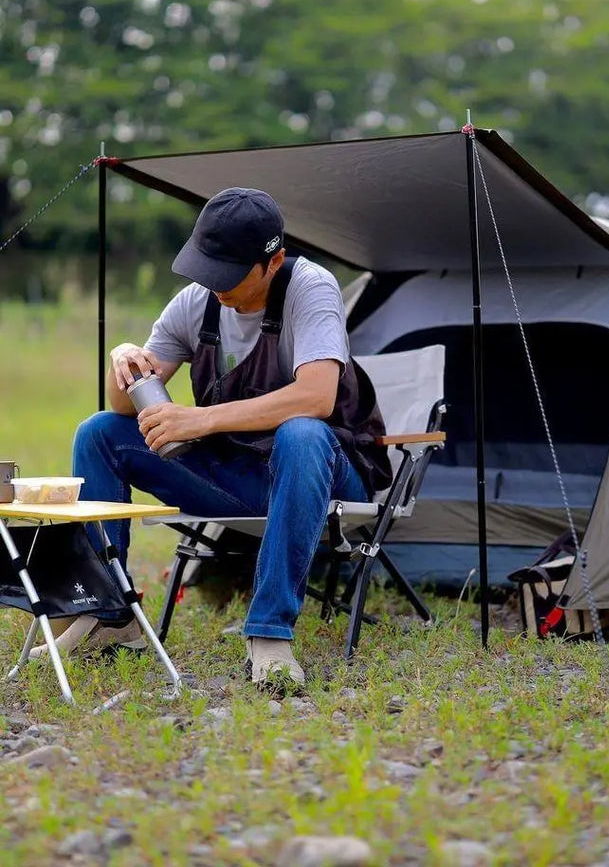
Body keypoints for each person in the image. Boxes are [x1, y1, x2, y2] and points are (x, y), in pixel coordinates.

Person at [35, 188, 392, 690]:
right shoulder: (196, 302)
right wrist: (124, 359)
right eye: (207, 267)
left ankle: (269, 632)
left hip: (327, 478)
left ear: (274, 261)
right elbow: (124, 410)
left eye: (229, 273)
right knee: (99, 432)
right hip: (243, 478)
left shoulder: (311, 288)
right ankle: (112, 613)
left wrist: (202, 420)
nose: (214, 284)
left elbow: (317, 397)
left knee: (303, 432)